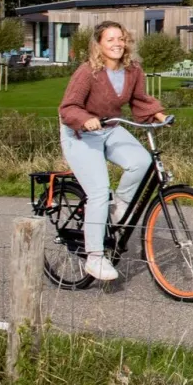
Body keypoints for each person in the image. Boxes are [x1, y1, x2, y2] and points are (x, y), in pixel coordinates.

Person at [58, 21, 165, 282]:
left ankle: (120, 206)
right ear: (99, 45)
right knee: (98, 192)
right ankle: (95, 257)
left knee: (142, 161)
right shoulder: (87, 72)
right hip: (81, 133)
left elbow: (139, 100)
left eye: (121, 38)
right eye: (110, 39)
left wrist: (159, 114)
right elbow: (68, 107)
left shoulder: (132, 70)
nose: (117, 43)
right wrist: (85, 119)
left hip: (110, 127)